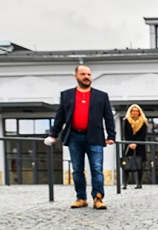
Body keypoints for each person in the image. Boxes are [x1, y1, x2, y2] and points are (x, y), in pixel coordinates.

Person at [45, 64, 116, 209]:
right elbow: (60, 117)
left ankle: (98, 197)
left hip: (95, 137)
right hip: (74, 137)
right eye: (83, 74)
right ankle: (81, 198)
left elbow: (108, 116)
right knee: (77, 169)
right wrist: (53, 134)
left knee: (96, 169)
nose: (86, 77)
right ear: (76, 76)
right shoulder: (67, 95)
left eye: (89, 74)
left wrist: (111, 135)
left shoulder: (101, 96)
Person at [121, 104, 148, 190]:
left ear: (139, 112)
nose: (135, 112)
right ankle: (125, 183)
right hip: (129, 145)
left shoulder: (143, 121)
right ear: (130, 112)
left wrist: (136, 143)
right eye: (133, 111)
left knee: (139, 164)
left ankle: (139, 183)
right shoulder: (126, 121)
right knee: (126, 164)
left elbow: (143, 134)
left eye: (136, 111)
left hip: (139, 145)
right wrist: (130, 143)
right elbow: (125, 134)